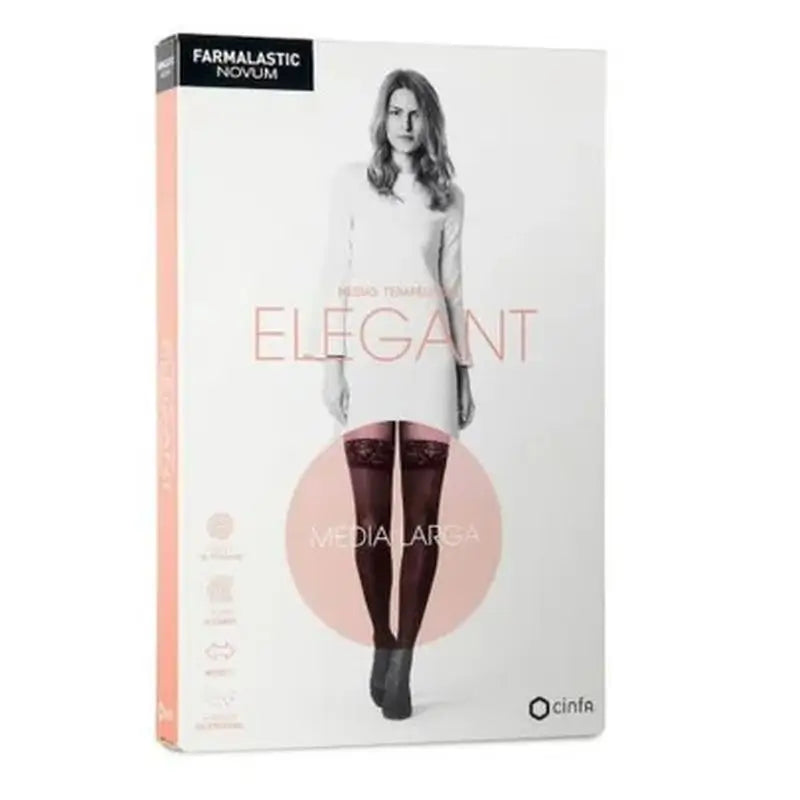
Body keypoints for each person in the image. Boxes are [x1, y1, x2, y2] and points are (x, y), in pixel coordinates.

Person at [318, 68, 475, 720]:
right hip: (370, 363)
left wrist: (464, 372)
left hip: (431, 363)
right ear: (382, 119)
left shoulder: (448, 196)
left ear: (428, 121)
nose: (405, 123)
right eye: (395, 111)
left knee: (424, 523)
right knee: (371, 524)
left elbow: (454, 288)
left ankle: (404, 661)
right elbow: (336, 274)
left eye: (415, 113)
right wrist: (333, 365)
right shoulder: (352, 183)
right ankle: (381, 639)